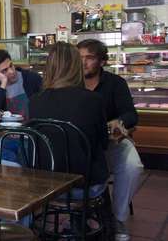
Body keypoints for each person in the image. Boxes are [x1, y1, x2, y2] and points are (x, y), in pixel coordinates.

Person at [77, 39, 143, 240]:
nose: (84, 63)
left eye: (89, 58)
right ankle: (80, 214)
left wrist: (119, 122)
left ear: (102, 61)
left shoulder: (116, 83)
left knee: (133, 167)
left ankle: (118, 218)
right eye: (80, 58)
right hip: (82, 147)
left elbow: (131, 115)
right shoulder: (72, 83)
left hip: (112, 144)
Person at [29, 42, 109, 199]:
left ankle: (79, 221)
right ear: (76, 67)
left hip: (45, 184)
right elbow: (103, 143)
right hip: (84, 184)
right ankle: (106, 221)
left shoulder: (34, 101)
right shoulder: (93, 100)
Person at [0, 49, 42, 118]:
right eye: (4, 70)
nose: (11, 71)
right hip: (6, 128)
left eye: (11, 65)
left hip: (31, 128)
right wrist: (3, 83)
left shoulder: (32, 78)